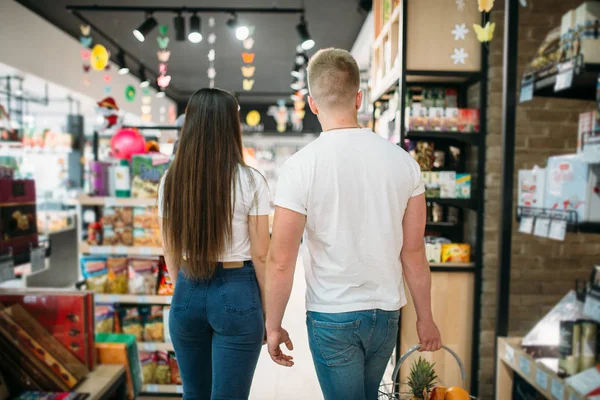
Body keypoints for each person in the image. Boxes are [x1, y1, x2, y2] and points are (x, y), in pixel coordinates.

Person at [264, 48, 442, 400]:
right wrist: (425, 317)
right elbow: (414, 252)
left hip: (332, 315)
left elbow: (281, 260)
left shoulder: (301, 167)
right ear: (359, 97)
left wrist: (273, 325)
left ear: (312, 104)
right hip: (385, 314)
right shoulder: (403, 163)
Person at [158, 88, 271, 400]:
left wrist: (183, 288)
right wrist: (269, 315)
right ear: (231, 126)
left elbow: (170, 250)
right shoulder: (250, 181)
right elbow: (262, 256)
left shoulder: (171, 180)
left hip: (187, 287)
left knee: (193, 394)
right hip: (237, 290)